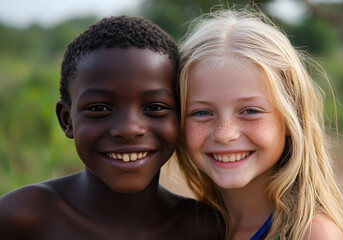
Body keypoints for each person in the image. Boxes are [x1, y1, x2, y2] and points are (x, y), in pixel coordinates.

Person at [0, 15, 225, 240]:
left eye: (155, 107)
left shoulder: (204, 228)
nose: (129, 129)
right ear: (67, 119)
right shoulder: (21, 218)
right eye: (99, 108)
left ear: (180, 117)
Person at [175, 9, 343, 240]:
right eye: (201, 112)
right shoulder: (190, 227)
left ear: (293, 119)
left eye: (250, 111)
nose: (224, 134)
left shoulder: (311, 234)